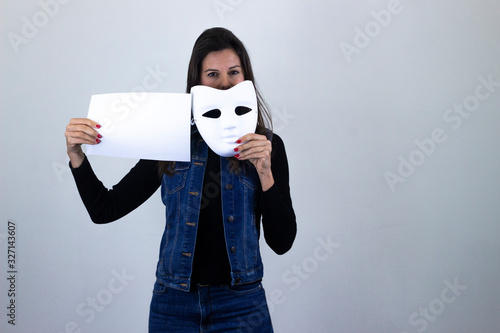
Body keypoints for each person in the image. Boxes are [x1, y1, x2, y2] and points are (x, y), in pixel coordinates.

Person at [65, 27, 296, 332]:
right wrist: (76, 155)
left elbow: (282, 242)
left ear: (246, 78)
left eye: (233, 72)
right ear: (197, 81)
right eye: (212, 74)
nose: (225, 84)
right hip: (174, 305)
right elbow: (105, 210)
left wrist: (265, 172)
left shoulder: (268, 146)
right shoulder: (170, 140)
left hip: (241, 304)